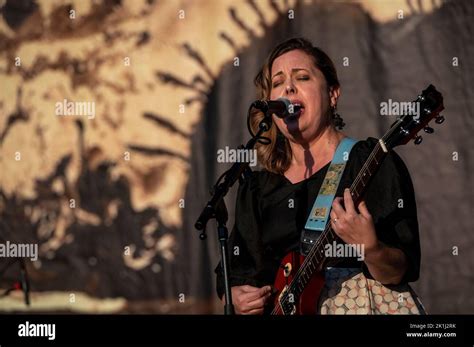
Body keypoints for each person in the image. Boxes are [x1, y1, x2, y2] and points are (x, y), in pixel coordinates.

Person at [215, 37, 421, 315]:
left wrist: (370, 249)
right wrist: (236, 297)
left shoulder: (370, 161)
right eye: (277, 83)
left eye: (302, 77)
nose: (288, 87)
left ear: (333, 94)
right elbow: (240, 275)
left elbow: (399, 269)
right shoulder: (258, 187)